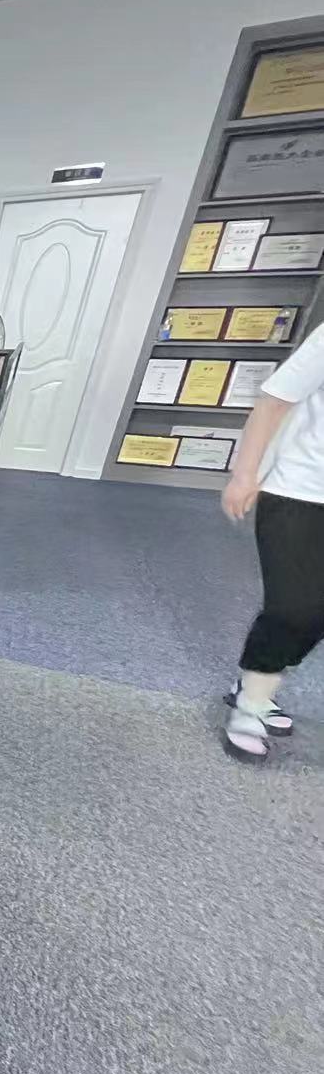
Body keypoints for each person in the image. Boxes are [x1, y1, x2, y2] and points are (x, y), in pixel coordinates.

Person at [219, 319, 324, 762]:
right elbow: (273, 402)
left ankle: (257, 682)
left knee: (318, 611)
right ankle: (251, 703)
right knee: (294, 607)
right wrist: (244, 475)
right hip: (300, 490)